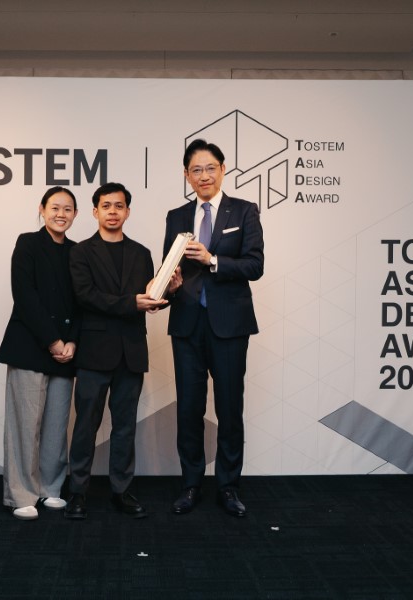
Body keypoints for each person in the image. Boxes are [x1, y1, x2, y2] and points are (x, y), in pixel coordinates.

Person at [163, 139, 264, 517]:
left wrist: (213, 259)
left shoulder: (245, 210)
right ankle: (190, 484)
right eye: (196, 170)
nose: (203, 175)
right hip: (187, 324)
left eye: (210, 168)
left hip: (230, 325)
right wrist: (169, 285)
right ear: (186, 175)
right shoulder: (176, 216)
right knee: (189, 408)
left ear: (223, 170)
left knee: (229, 408)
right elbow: (168, 267)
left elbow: (255, 265)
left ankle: (228, 486)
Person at [64, 182, 174, 520]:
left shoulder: (141, 253)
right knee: (86, 426)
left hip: (131, 352)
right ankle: (77, 492)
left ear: (128, 211)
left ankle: (121, 491)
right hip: (94, 353)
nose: (113, 212)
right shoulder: (81, 252)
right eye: (106, 206)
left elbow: (148, 297)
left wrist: (165, 294)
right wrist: (131, 304)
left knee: (125, 426)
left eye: (119, 206)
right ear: (95, 211)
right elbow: (85, 296)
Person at [0, 186, 80, 520]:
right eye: (55, 207)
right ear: (42, 209)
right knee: (25, 423)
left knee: (57, 424)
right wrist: (53, 341)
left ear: (76, 214)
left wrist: (72, 342)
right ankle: (21, 494)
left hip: (66, 350)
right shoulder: (28, 243)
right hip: (31, 345)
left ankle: (50, 488)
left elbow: (82, 301)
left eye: (68, 209)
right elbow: (25, 296)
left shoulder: (77, 251)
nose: (61, 214)